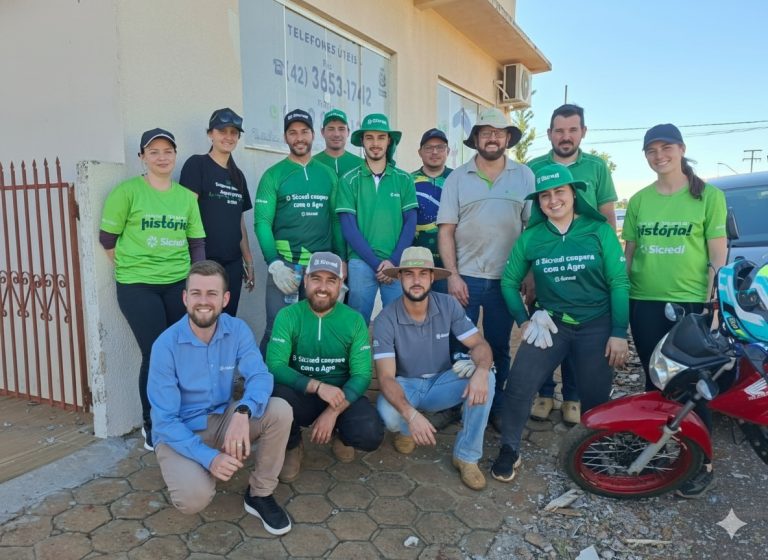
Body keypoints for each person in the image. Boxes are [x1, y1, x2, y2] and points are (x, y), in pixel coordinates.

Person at [491, 164, 629, 483]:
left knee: (595, 395)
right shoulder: (533, 237)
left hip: (596, 324)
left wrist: (619, 332)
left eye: (560, 192)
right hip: (549, 323)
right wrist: (524, 321)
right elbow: (509, 282)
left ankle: (596, 449)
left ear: (573, 194)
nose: (553, 200)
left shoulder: (598, 231)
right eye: (545, 195)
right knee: (520, 385)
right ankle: (510, 448)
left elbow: (619, 282)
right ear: (538, 202)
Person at [148, 260, 293, 534]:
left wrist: (243, 412)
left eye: (212, 294)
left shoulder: (236, 329)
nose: (204, 301)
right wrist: (208, 458)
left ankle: (260, 494)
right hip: (180, 430)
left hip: (223, 418)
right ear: (185, 298)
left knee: (280, 410)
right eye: (196, 293)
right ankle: (199, 464)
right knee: (193, 499)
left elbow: (260, 376)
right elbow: (165, 421)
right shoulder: (165, 346)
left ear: (225, 299)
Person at [623, 123, 727, 498]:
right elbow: (629, 254)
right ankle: (657, 445)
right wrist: (624, 295)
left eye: (666, 147)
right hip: (645, 301)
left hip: (690, 305)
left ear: (681, 149)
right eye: (651, 150)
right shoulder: (638, 200)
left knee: (695, 384)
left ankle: (703, 462)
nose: (658, 155)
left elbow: (717, 252)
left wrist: (715, 301)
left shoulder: (709, 196)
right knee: (654, 377)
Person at [99, 128, 205, 451]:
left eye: (168, 151)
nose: (162, 157)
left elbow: (196, 242)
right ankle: (153, 423)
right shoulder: (127, 192)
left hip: (177, 284)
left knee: (180, 351)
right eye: (154, 151)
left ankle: (180, 415)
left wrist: (196, 281)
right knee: (157, 352)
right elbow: (107, 239)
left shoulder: (186, 197)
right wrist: (134, 266)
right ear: (142, 157)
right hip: (137, 286)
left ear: (175, 155)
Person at [437, 107, 534, 429]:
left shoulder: (524, 176)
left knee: (499, 345)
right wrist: (452, 276)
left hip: (506, 280)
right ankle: (455, 401)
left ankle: (494, 404)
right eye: (485, 132)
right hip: (466, 278)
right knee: (459, 344)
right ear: (476, 138)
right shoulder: (457, 177)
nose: (492, 137)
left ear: (507, 138)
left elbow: (531, 231)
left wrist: (529, 273)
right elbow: (446, 230)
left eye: (499, 132)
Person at [527, 104, 620, 425]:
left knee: (578, 331)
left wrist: (611, 267)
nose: (565, 137)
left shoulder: (596, 167)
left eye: (572, 130)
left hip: (588, 270)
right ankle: (543, 392)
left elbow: (607, 217)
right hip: (546, 268)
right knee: (545, 330)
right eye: (559, 130)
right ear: (549, 133)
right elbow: (529, 223)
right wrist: (528, 270)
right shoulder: (534, 167)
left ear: (583, 132)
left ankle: (572, 396)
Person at [373, 246, 495, 490]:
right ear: (399, 278)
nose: (416, 280)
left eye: (422, 273)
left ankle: (466, 456)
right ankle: (407, 429)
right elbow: (385, 378)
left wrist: (481, 371)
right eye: (409, 274)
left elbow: (479, 344)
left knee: (488, 378)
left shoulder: (448, 304)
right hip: (407, 386)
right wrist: (411, 415)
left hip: (442, 382)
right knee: (387, 413)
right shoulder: (386, 318)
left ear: (431, 277)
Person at [267, 251, 384, 482]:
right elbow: (275, 365)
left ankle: (341, 435)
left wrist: (333, 412)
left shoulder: (353, 319)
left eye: (331, 280)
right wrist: (318, 387)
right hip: (301, 393)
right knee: (272, 399)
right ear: (306, 279)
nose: (323, 287)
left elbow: (362, 375)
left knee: (370, 433)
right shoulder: (288, 315)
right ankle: (292, 444)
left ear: (340, 284)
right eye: (316, 279)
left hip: (341, 395)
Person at [254, 109, 343, 352]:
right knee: (277, 329)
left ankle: (308, 387)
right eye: (292, 133)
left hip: (320, 268)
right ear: (285, 138)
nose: (299, 137)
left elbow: (335, 221)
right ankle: (265, 387)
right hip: (285, 266)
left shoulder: (327, 175)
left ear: (314, 135)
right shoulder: (273, 175)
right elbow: (261, 223)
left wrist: (341, 261)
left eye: (304, 132)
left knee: (315, 331)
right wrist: (274, 263)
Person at [335, 113, 418, 323]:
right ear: (362, 141)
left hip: (397, 262)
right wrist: (376, 263)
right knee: (357, 323)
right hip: (361, 262)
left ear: (389, 140)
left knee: (399, 322)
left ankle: (394, 357)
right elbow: (348, 227)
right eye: (369, 137)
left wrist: (393, 261)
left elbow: (410, 222)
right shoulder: (349, 180)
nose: (375, 143)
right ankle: (359, 357)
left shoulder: (404, 179)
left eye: (381, 137)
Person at [180, 108, 255, 316]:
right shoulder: (197, 165)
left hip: (232, 264)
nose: (228, 137)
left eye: (234, 132)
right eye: (222, 131)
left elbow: (238, 221)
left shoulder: (238, 175)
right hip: (204, 262)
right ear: (210, 134)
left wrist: (248, 260)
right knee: (203, 321)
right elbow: (186, 213)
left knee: (227, 323)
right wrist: (196, 262)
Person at [412, 128, 452, 293]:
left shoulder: (458, 179)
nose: (434, 152)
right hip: (415, 264)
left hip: (449, 266)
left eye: (440, 147)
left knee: (445, 314)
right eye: (428, 148)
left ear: (448, 151)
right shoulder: (407, 181)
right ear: (420, 152)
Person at [313, 108, 364, 176]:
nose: (336, 134)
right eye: (331, 129)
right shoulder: (312, 163)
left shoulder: (361, 164)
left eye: (341, 129)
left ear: (348, 132)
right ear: (322, 132)